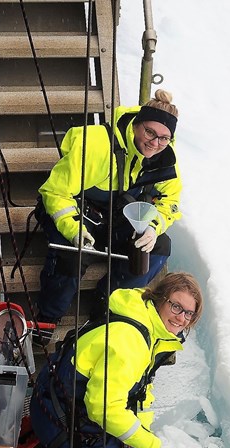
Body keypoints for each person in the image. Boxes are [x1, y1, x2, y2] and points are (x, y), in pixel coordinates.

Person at [29, 272, 203, 448]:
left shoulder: (146, 325)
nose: (181, 318)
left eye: (188, 313)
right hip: (57, 419)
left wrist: (141, 434)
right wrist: (150, 446)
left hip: (61, 402)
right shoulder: (130, 341)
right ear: (160, 299)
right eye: (176, 307)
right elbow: (103, 408)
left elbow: (140, 390)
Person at [34, 89, 182, 333]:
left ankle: (108, 308)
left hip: (118, 219)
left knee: (158, 247)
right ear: (136, 124)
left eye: (164, 138)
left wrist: (154, 228)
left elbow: (171, 201)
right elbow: (55, 192)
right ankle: (48, 317)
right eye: (150, 132)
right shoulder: (95, 146)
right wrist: (74, 229)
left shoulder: (166, 158)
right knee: (72, 255)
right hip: (80, 215)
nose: (155, 143)